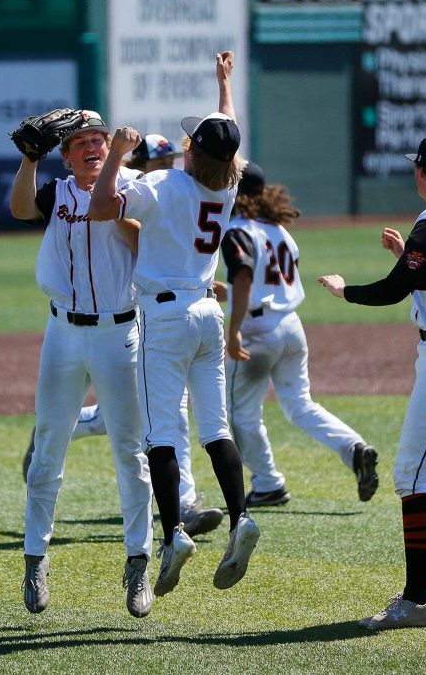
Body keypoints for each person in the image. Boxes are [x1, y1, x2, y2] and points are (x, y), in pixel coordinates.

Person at [88, 51, 260, 594]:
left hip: (162, 316)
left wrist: (116, 153)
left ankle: (173, 535)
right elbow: (228, 136)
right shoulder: (226, 186)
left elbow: (99, 207)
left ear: (191, 150)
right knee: (215, 429)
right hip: (208, 313)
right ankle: (240, 519)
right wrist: (223, 85)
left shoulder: (163, 186)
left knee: (160, 433)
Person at [317, 134, 426, 630]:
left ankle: (416, 601)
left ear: (422, 172)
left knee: (411, 474)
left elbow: (400, 288)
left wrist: (345, 290)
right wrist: (409, 252)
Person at [21, 133, 224, 538]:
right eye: (156, 159)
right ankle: (180, 503)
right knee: (147, 418)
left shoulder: (152, 192)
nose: (163, 165)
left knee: (160, 416)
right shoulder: (121, 190)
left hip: (134, 320)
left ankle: (182, 503)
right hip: (89, 325)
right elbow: (24, 209)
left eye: (168, 158)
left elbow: (166, 248)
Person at [11, 109, 155, 618]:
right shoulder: (57, 193)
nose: (94, 146)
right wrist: (29, 161)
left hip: (121, 332)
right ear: (68, 155)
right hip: (63, 333)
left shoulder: (136, 187)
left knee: (130, 452)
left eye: (100, 139)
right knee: (48, 448)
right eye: (83, 143)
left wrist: (116, 176)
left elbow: (147, 243)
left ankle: (138, 561)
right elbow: (20, 208)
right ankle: (35, 557)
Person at [221, 161, 379, 506]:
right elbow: (263, 281)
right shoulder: (278, 230)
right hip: (291, 327)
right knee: (299, 405)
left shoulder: (236, 229)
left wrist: (232, 330)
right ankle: (353, 448)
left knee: (240, 413)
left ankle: (267, 483)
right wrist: (226, 292)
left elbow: (246, 278)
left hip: (256, 330)